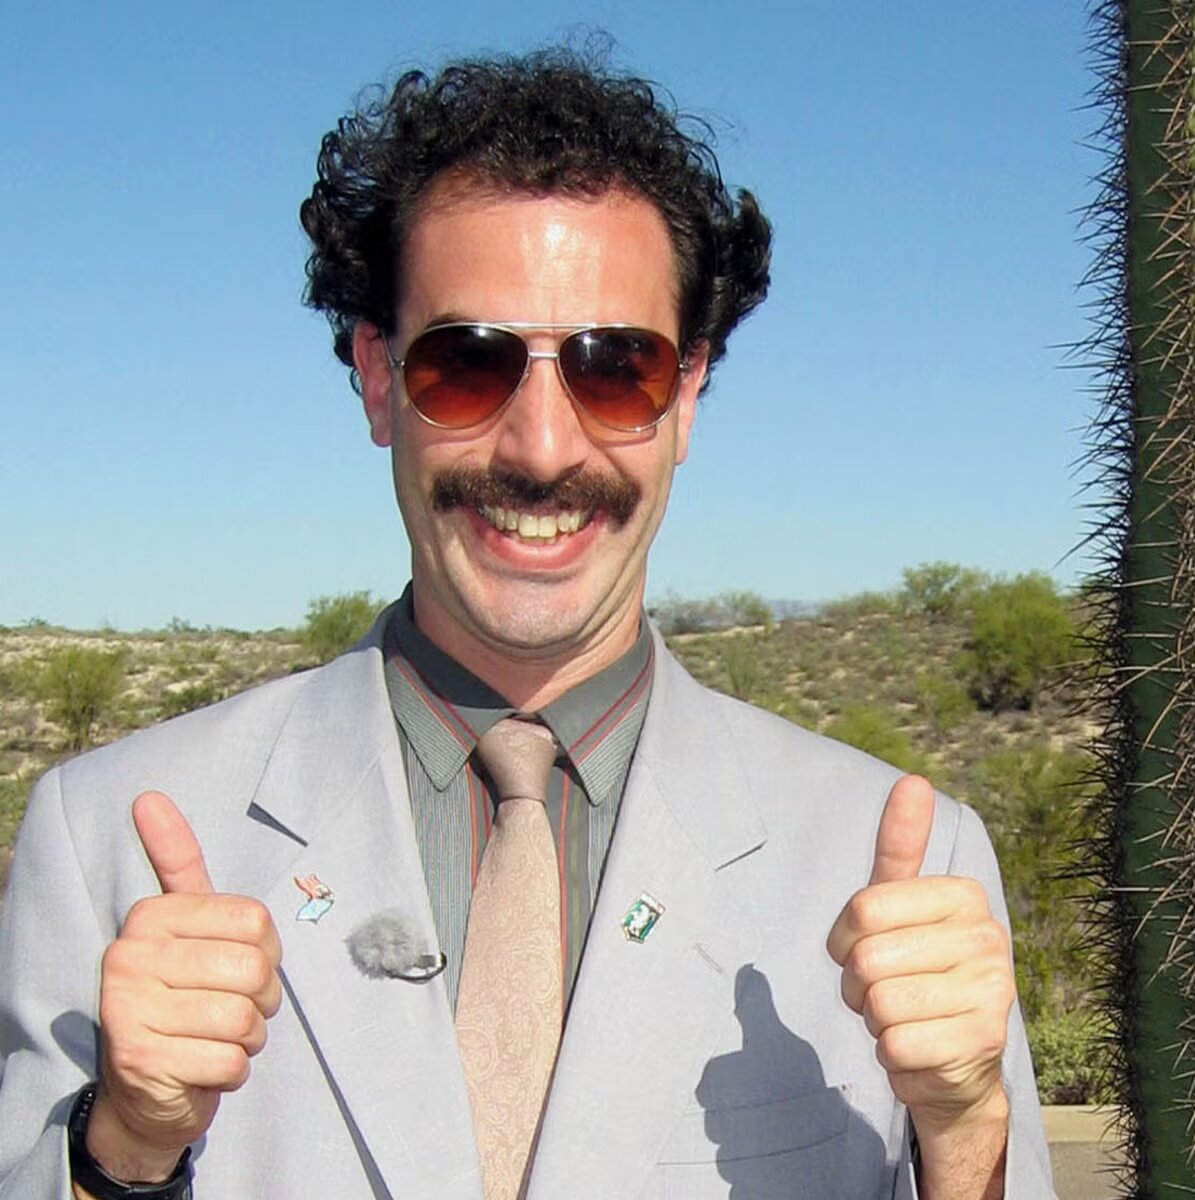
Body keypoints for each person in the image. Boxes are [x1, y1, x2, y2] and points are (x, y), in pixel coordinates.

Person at [0, 48, 1055, 1200]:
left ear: (687, 397)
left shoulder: (897, 863)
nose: (543, 449)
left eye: (616, 368)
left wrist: (964, 1142)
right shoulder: (105, 841)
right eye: (467, 364)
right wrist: (123, 1153)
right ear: (377, 379)